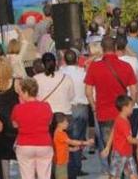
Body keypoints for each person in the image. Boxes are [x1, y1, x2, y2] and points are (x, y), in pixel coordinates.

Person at [84, 35, 138, 175]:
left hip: (103, 113)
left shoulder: (95, 67)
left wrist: (93, 106)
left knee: (110, 148)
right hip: (122, 113)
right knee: (124, 147)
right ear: (115, 48)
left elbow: (88, 91)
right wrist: (130, 105)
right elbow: (134, 89)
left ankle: (114, 174)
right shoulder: (126, 66)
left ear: (102, 48)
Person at [13, 78, 54, 179]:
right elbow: (49, 122)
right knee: (44, 175)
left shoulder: (17, 108)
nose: (19, 95)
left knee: (27, 176)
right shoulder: (46, 106)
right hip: (44, 144)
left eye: (21, 92)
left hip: (24, 144)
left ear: (26, 92)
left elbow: (15, 125)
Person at [59, 50, 87, 179]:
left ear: (64, 59)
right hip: (81, 107)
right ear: (76, 59)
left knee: (68, 139)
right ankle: (76, 167)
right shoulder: (83, 72)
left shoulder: (60, 73)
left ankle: (71, 167)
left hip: (65, 108)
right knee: (79, 139)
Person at [100, 95, 138, 179]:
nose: (133, 108)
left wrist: (108, 147)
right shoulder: (123, 122)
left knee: (133, 174)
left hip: (127, 152)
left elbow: (113, 132)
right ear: (125, 108)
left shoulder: (120, 118)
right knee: (115, 175)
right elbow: (130, 140)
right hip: (120, 153)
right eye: (131, 106)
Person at [53, 113, 93, 179]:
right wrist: (86, 142)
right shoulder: (60, 134)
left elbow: (62, 147)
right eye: (65, 122)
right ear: (59, 124)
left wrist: (73, 149)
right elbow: (72, 142)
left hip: (62, 162)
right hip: (60, 163)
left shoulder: (60, 132)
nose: (67, 123)